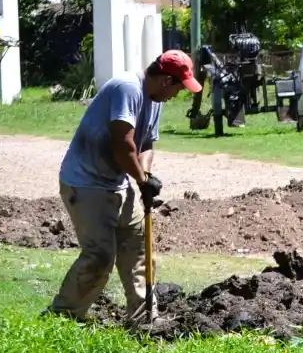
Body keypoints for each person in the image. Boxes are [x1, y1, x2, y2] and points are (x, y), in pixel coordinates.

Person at [46, 49, 202, 323]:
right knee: (100, 255)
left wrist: (147, 177)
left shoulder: (156, 99)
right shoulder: (128, 88)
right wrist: (142, 179)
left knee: (138, 251)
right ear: (166, 80)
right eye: (178, 87)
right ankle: (61, 318)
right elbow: (123, 145)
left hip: (118, 182)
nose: (177, 95)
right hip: (86, 182)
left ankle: (144, 321)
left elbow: (146, 143)